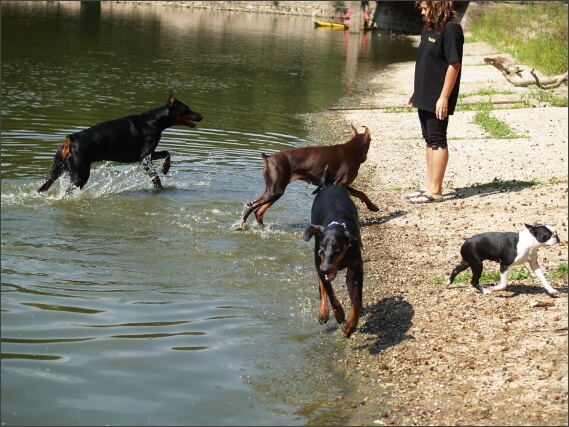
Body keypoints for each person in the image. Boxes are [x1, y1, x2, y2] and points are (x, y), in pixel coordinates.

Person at [406, 1, 464, 204]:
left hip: (439, 95)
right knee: (428, 138)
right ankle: (429, 186)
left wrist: (444, 97)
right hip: (424, 92)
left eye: (425, 8)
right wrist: (416, 93)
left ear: (437, 6)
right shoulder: (429, 27)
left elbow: (454, 64)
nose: (422, 12)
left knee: (437, 138)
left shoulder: (451, 29)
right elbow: (426, 62)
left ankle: (436, 191)